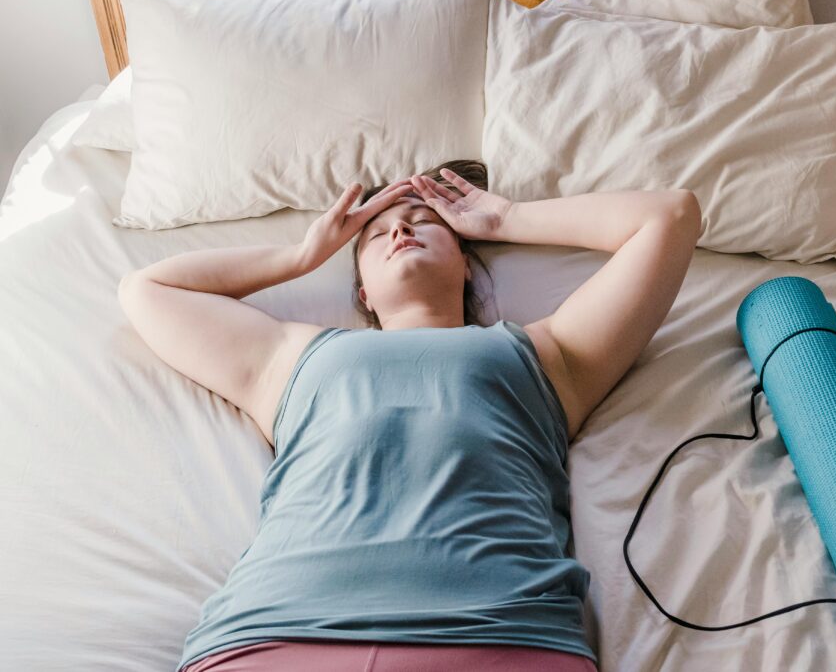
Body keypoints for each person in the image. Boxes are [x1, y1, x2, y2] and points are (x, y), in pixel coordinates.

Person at [118, 159, 703, 672]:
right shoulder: (292, 357)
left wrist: (506, 218)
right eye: (377, 234)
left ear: (467, 265)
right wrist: (300, 256)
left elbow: (670, 217)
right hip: (276, 633)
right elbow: (149, 289)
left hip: (500, 636)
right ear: (364, 295)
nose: (400, 229)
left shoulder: (545, 356)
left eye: (426, 222)